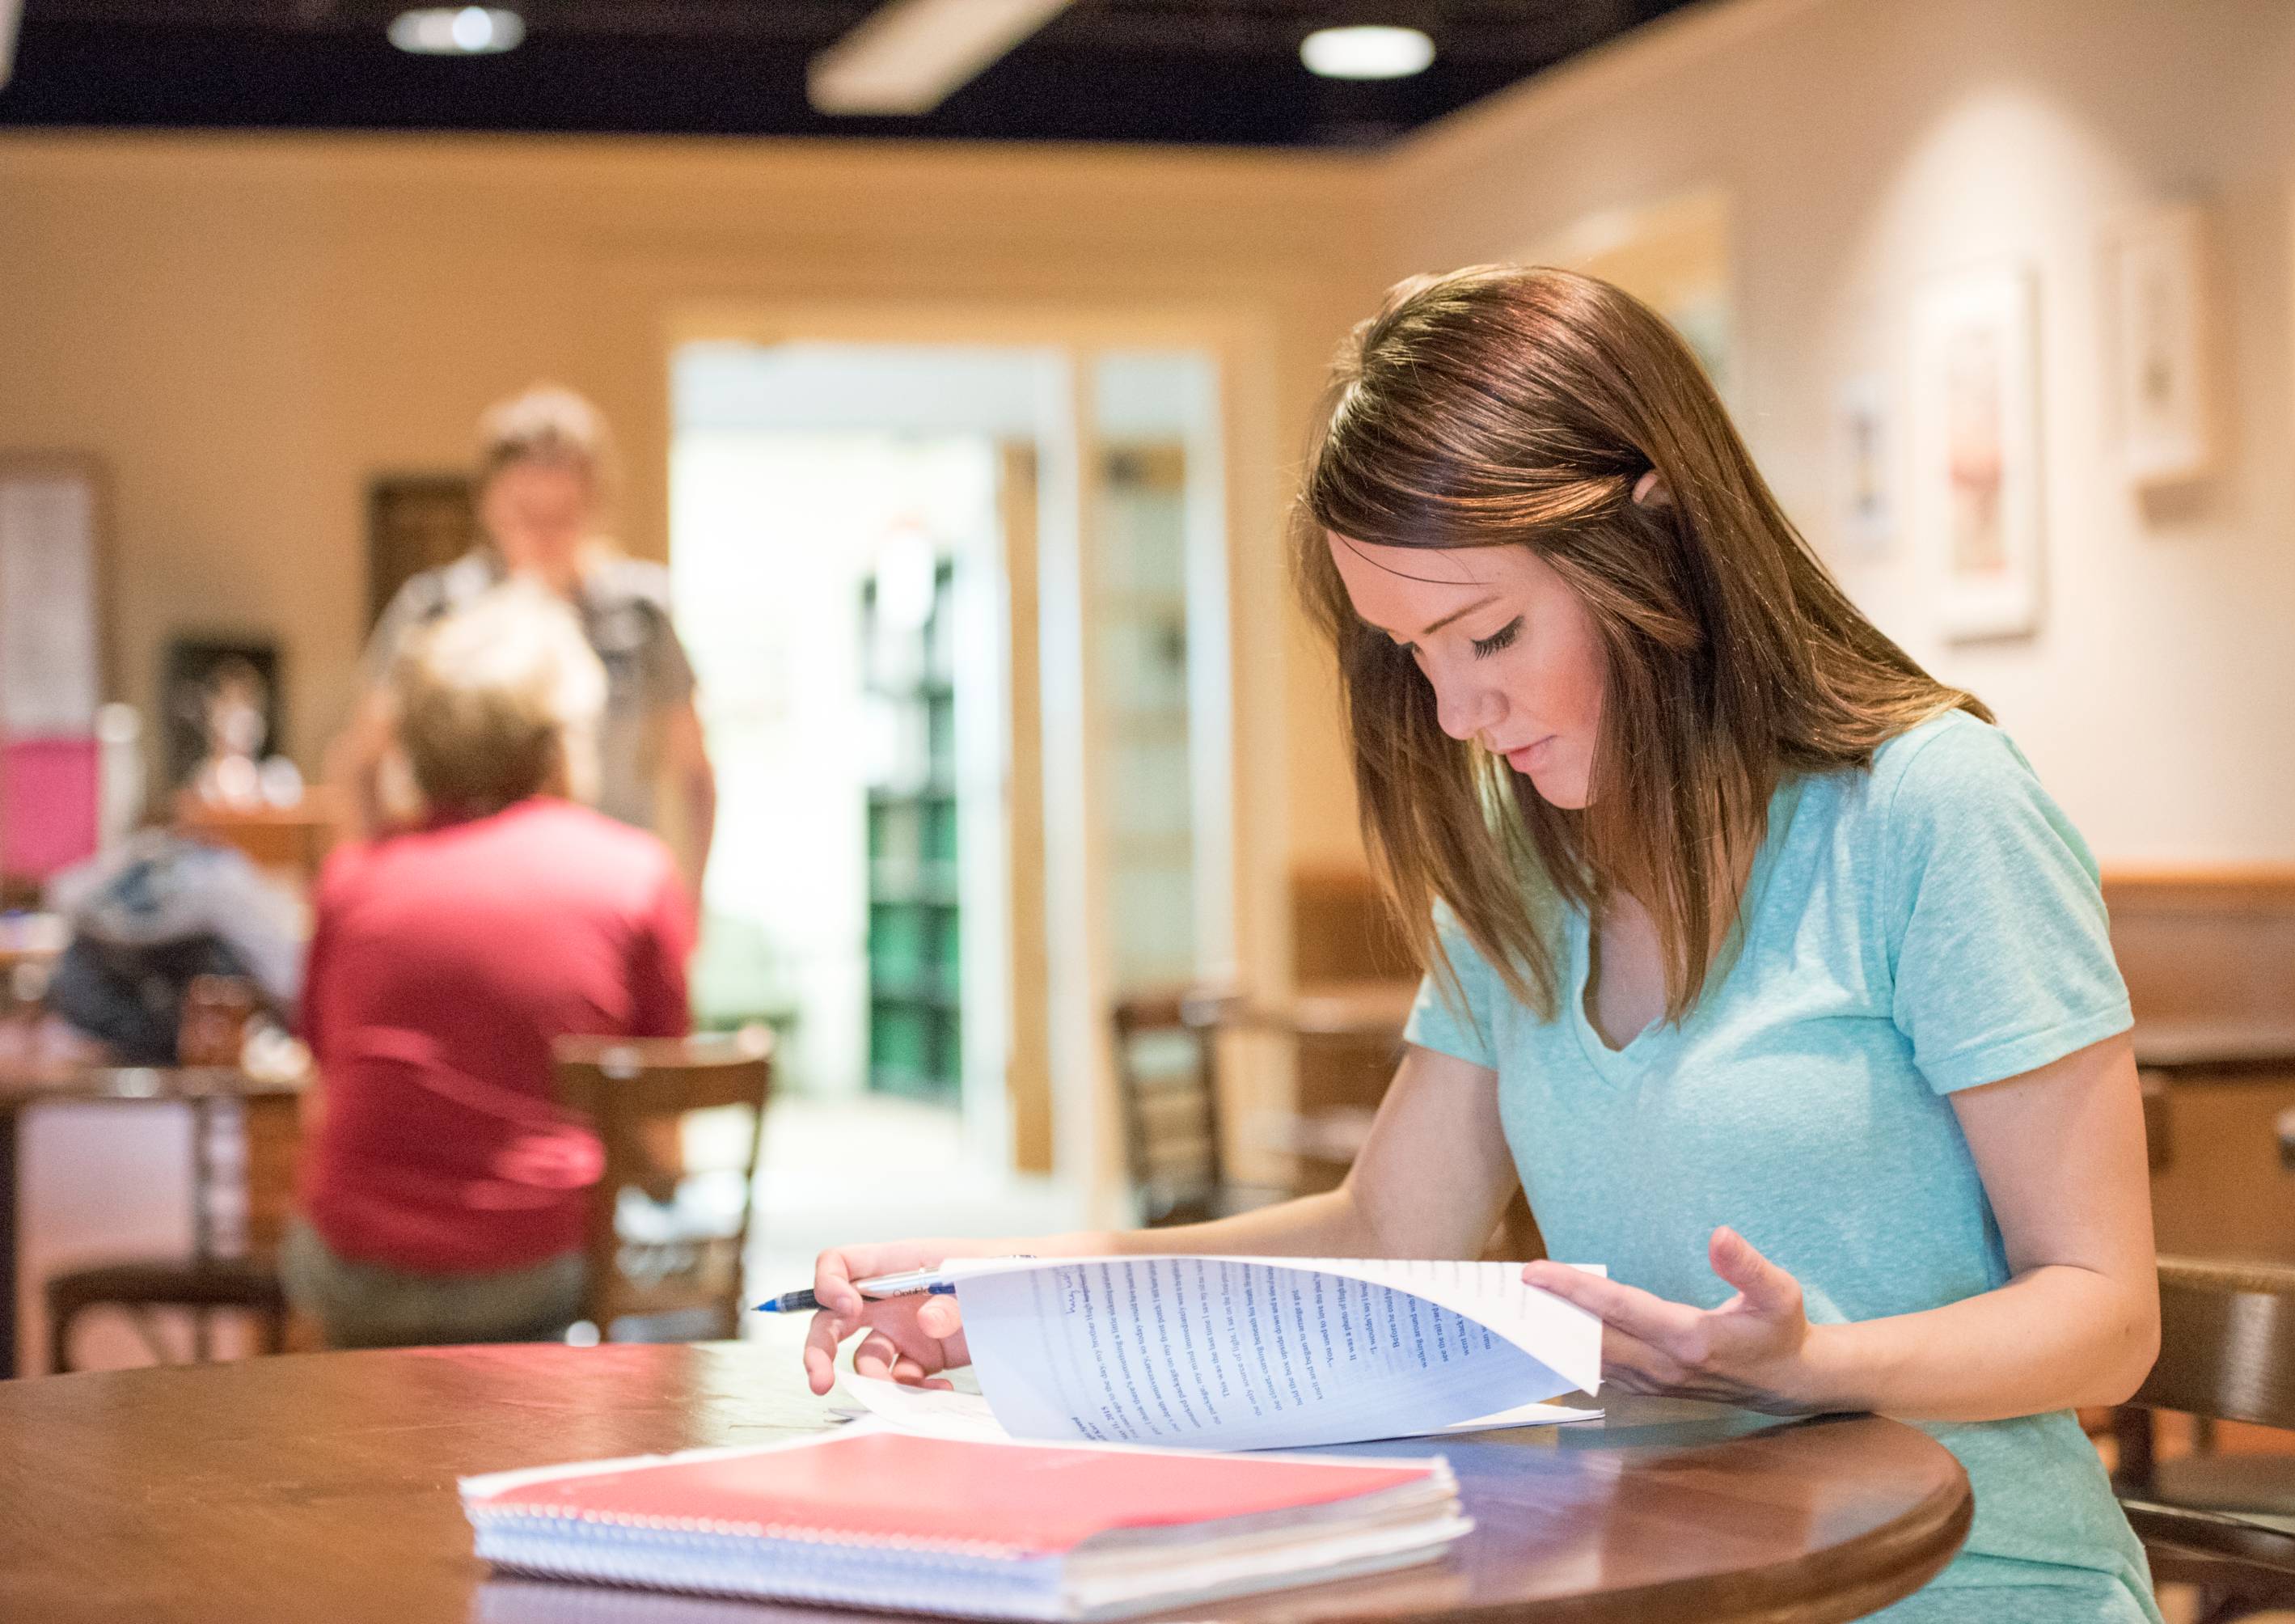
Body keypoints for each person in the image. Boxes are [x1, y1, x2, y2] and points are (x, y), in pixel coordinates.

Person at [803, 267, 2162, 1622]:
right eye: (1414, 653)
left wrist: (1813, 1365)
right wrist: (1005, 1291)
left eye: (1491, 633)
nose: (1457, 712)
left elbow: (2105, 1315)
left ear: (1659, 534)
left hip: (1967, 1580)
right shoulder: (1525, 860)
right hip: (1659, 1582)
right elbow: (1387, 1225)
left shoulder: (1930, 807)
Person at [282, 583, 695, 1348]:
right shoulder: (631, 874)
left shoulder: (351, 884)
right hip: (539, 1269)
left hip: (357, 1272)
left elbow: (324, 1087)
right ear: (557, 742)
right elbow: (661, 1135)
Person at [332, 383, 716, 896]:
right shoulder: (436, 611)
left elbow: (695, 772)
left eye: (564, 514)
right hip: (470, 891)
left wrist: (689, 904)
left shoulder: (642, 613)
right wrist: (374, 883)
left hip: (602, 888)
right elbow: (360, 761)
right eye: (525, 512)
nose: (544, 535)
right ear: (489, 504)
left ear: (595, 505)